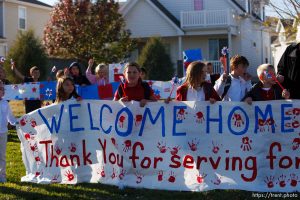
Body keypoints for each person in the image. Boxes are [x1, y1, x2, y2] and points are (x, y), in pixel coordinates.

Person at [0, 81, 17, 183]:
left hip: (3, 132)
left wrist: (19, 123)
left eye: (1, 89)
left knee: (2, 155)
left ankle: (2, 175)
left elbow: (11, 118)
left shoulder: (5, 103)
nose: (0, 91)